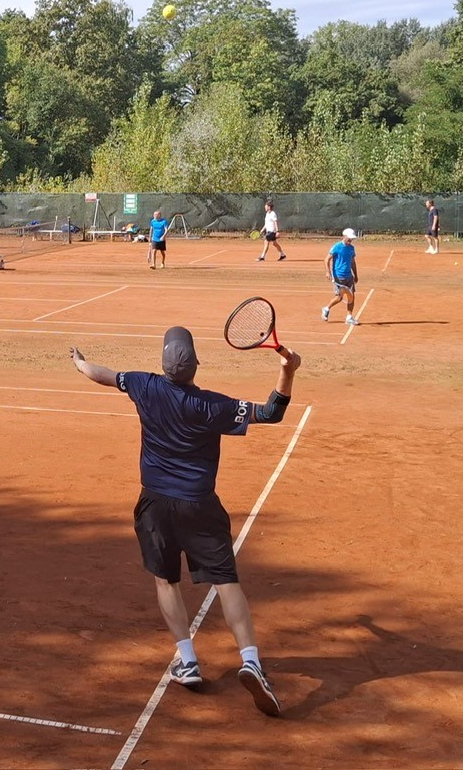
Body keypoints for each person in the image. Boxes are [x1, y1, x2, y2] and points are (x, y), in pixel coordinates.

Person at [68, 328, 301, 717]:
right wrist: (287, 371)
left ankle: (188, 660)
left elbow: (102, 374)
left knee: (166, 580)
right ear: (197, 365)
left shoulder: (143, 386)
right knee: (226, 582)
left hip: (155, 504)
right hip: (199, 506)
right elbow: (271, 413)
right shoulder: (212, 405)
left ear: (162, 365)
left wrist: (79, 363)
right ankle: (250, 661)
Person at [322, 228, 360, 325]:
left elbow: (352, 262)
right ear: (344, 236)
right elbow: (326, 259)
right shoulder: (337, 247)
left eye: (352, 238)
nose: (351, 240)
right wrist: (328, 272)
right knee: (339, 298)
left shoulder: (351, 248)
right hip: (339, 276)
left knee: (352, 297)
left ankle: (349, 317)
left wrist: (355, 275)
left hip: (349, 276)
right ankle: (326, 308)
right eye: (349, 238)